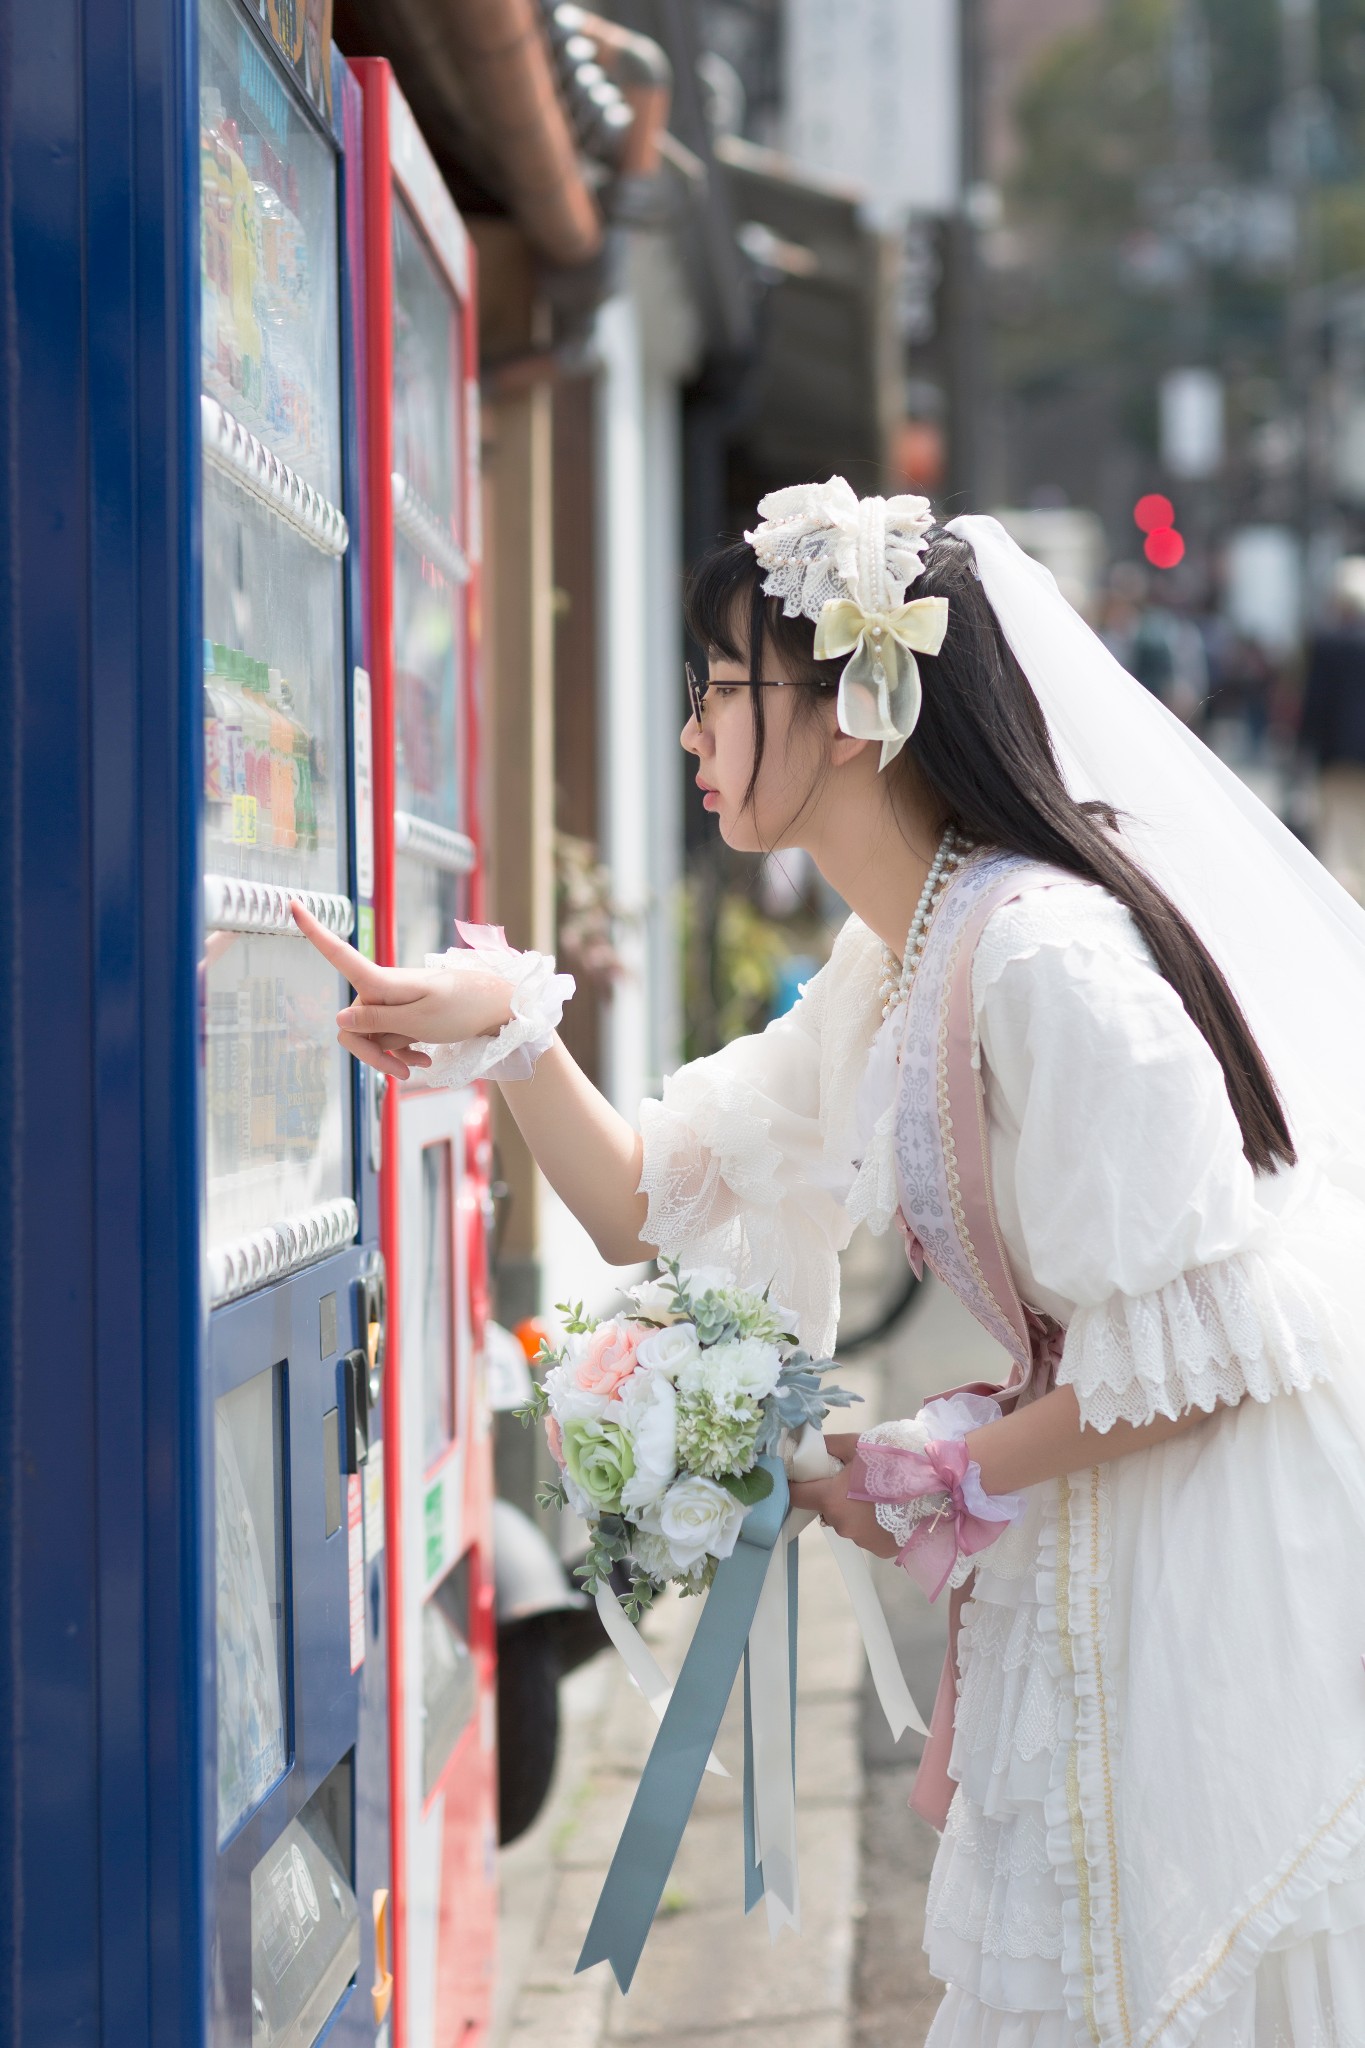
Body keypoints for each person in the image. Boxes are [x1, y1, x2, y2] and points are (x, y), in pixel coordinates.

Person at [294, 480, 1365, 2048]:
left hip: (1212, 1543)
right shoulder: (901, 957)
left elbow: (1214, 1355)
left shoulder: (1046, 962)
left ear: (852, 710)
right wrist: (502, 1024)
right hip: (1092, 1514)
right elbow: (645, 1195)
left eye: (718, 692)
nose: (689, 736)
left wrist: (933, 1470)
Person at [1301, 556, 1365, 902]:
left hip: (1336, 758)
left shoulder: (1328, 644)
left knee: (1338, 841)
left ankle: (1343, 912)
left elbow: (1315, 704)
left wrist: (1301, 749)